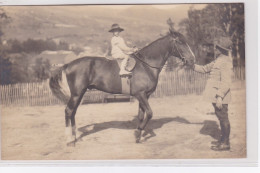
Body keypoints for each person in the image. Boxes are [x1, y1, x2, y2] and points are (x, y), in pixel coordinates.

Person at [192, 36, 233, 151]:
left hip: (221, 97)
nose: (216, 49)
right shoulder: (218, 60)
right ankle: (223, 140)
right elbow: (204, 69)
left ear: (223, 49)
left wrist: (220, 96)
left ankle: (225, 143)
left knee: (223, 118)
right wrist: (191, 65)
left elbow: (226, 82)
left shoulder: (225, 62)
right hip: (217, 97)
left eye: (218, 47)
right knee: (221, 117)